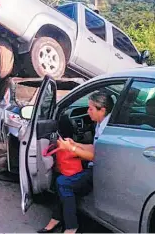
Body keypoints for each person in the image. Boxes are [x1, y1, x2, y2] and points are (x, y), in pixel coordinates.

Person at [38, 91, 114, 234]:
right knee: (61, 179)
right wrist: (76, 144)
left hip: (101, 170)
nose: (87, 111)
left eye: (91, 108)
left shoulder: (107, 128)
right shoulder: (100, 123)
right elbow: (94, 147)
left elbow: (95, 156)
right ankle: (57, 218)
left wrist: (72, 148)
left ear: (102, 110)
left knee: (64, 183)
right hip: (96, 167)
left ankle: (71, 226)